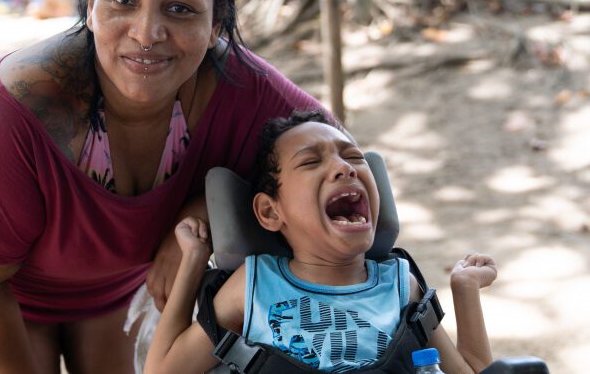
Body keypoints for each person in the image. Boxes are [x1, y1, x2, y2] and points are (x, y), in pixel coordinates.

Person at [0, 0, 340, 373]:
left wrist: (206, 213)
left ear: (216, 22)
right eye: (123, 0)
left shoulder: (246, 91)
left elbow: (341, 168)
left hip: (111, 283)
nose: (146, 33)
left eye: (179, 9)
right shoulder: (12, 109)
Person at [144, 110, 498, 374]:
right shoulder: (253, 286)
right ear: (269, 211)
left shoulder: (401, 286)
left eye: (355, 157)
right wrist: (193, 261)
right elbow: (164, 370)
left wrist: (464, 289)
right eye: (311, 161)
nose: (345, 168)